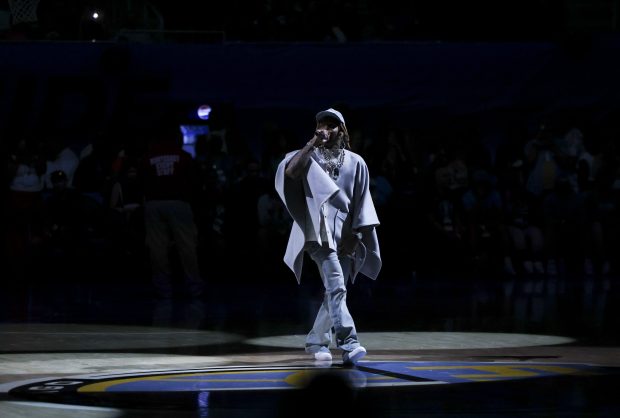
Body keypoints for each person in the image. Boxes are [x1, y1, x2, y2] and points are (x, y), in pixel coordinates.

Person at [275, 108, 381, 365]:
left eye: (332, 125)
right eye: (321, 125)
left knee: (335, 291)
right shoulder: (308, 157)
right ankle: (349, 342)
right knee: (337, 285)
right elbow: (290, 173)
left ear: (342, 130)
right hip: (317, 233)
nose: (326, 129)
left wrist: (356, 234)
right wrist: (312, 143)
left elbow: (361, 199)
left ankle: (315, 340)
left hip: (345, 233)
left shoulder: (356, 162)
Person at [139, 122, 204, 300]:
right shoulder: (183, 156)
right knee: (187, 246)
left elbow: (141, 181)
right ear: (175, 137)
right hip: (178, 203)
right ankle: (194, 288)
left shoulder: (147, 157)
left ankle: (163, 290)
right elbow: (194, 182)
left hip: (154, 204)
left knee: (157, 248)